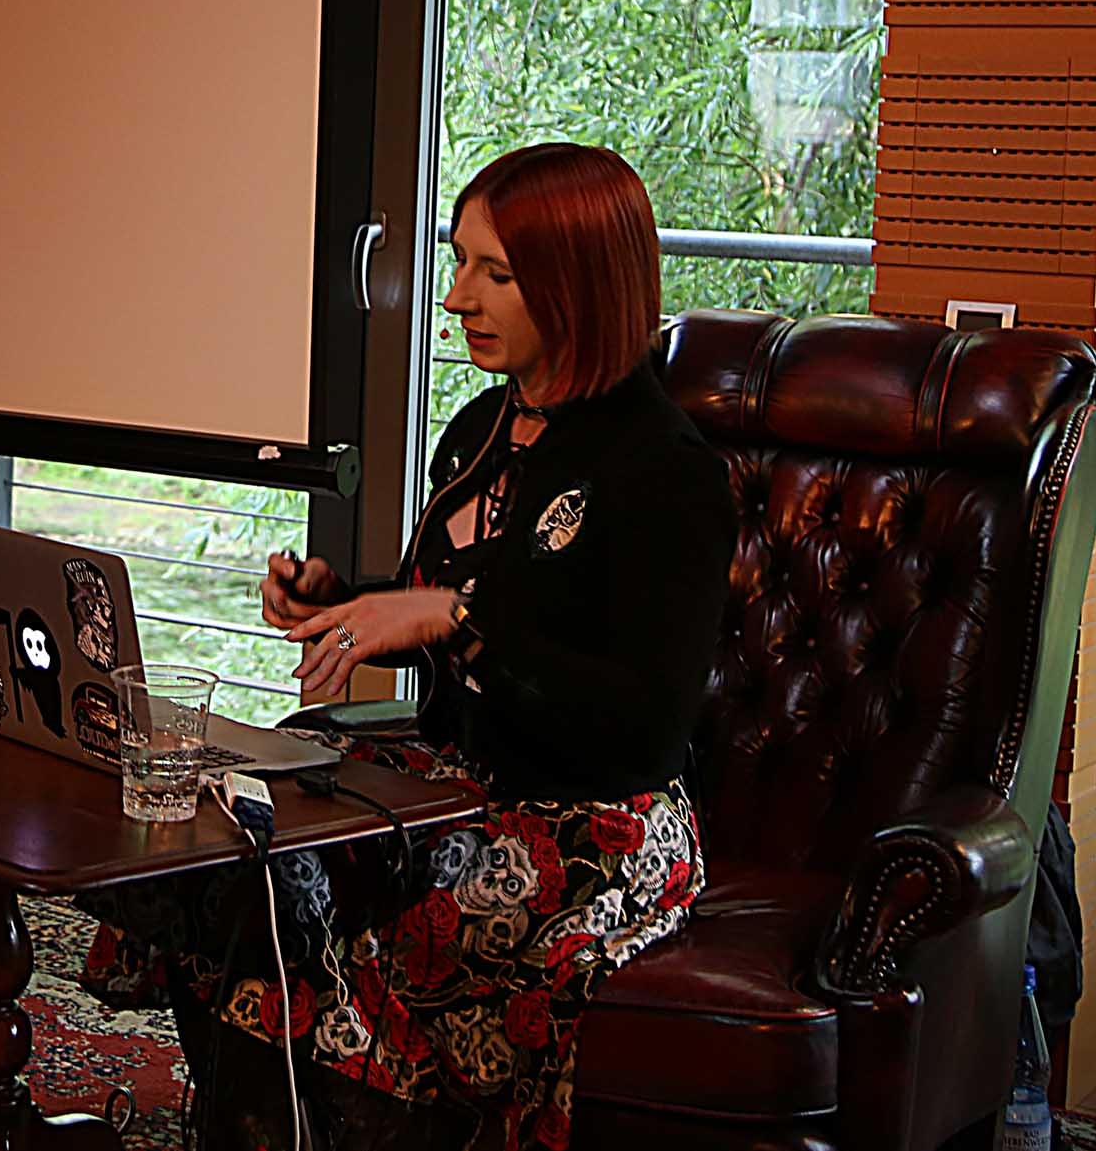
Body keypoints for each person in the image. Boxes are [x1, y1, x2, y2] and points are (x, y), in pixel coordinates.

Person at [80, 142, 735, 1151]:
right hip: (458, 777)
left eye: (494, 273)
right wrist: (344, 600)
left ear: (576, 284)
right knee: (229, 847)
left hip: (594, 821)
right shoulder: (481, 429)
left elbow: (639, 725)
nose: (457, 296)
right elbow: (447, 603)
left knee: (332, 914)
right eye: (459, 261)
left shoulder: (665, 470)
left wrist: (450, 620)